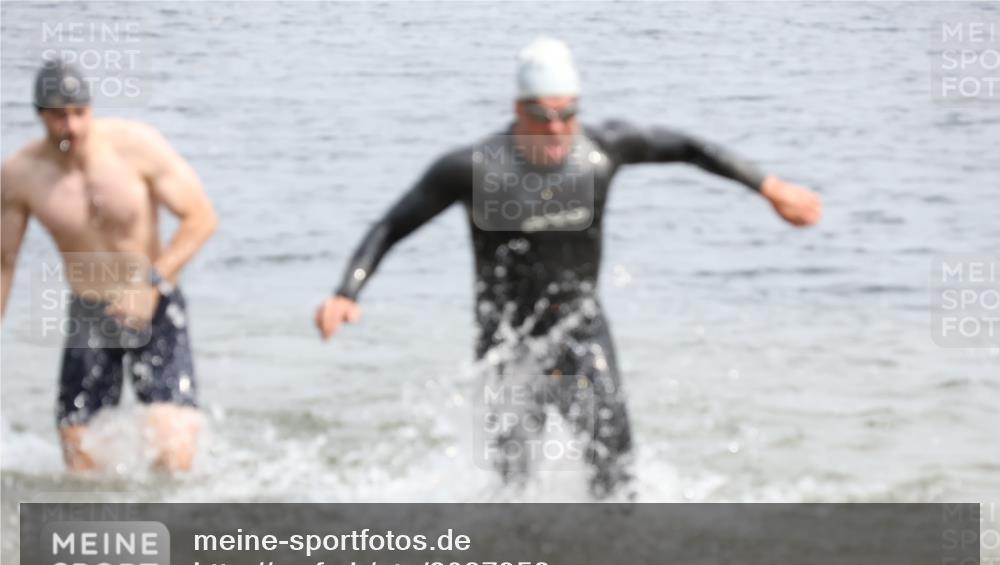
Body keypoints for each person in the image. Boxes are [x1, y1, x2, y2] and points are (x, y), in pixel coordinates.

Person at [314, 37, 822, 495]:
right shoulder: (473, 169)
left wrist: (770, 187)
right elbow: (392, 225)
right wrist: (347, 292)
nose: (556, 129)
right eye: (541, 116)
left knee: (617, 473)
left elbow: (690, 148)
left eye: (567, 114)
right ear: (517, 110)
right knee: (512, 485)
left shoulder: (603, 150)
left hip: (582, 332)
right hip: (506, 345)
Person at [1, 60, 218, 472]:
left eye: (80, 113)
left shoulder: (137, 147)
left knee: (174, 451)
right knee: (79, 456)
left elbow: (202, 218)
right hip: (89, 312)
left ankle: (176, 529)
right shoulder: (21, 174)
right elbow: (4, 262)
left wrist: (150, 283)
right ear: (40, 115)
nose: (72, 127)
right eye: (59, 116)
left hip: (154, 303)